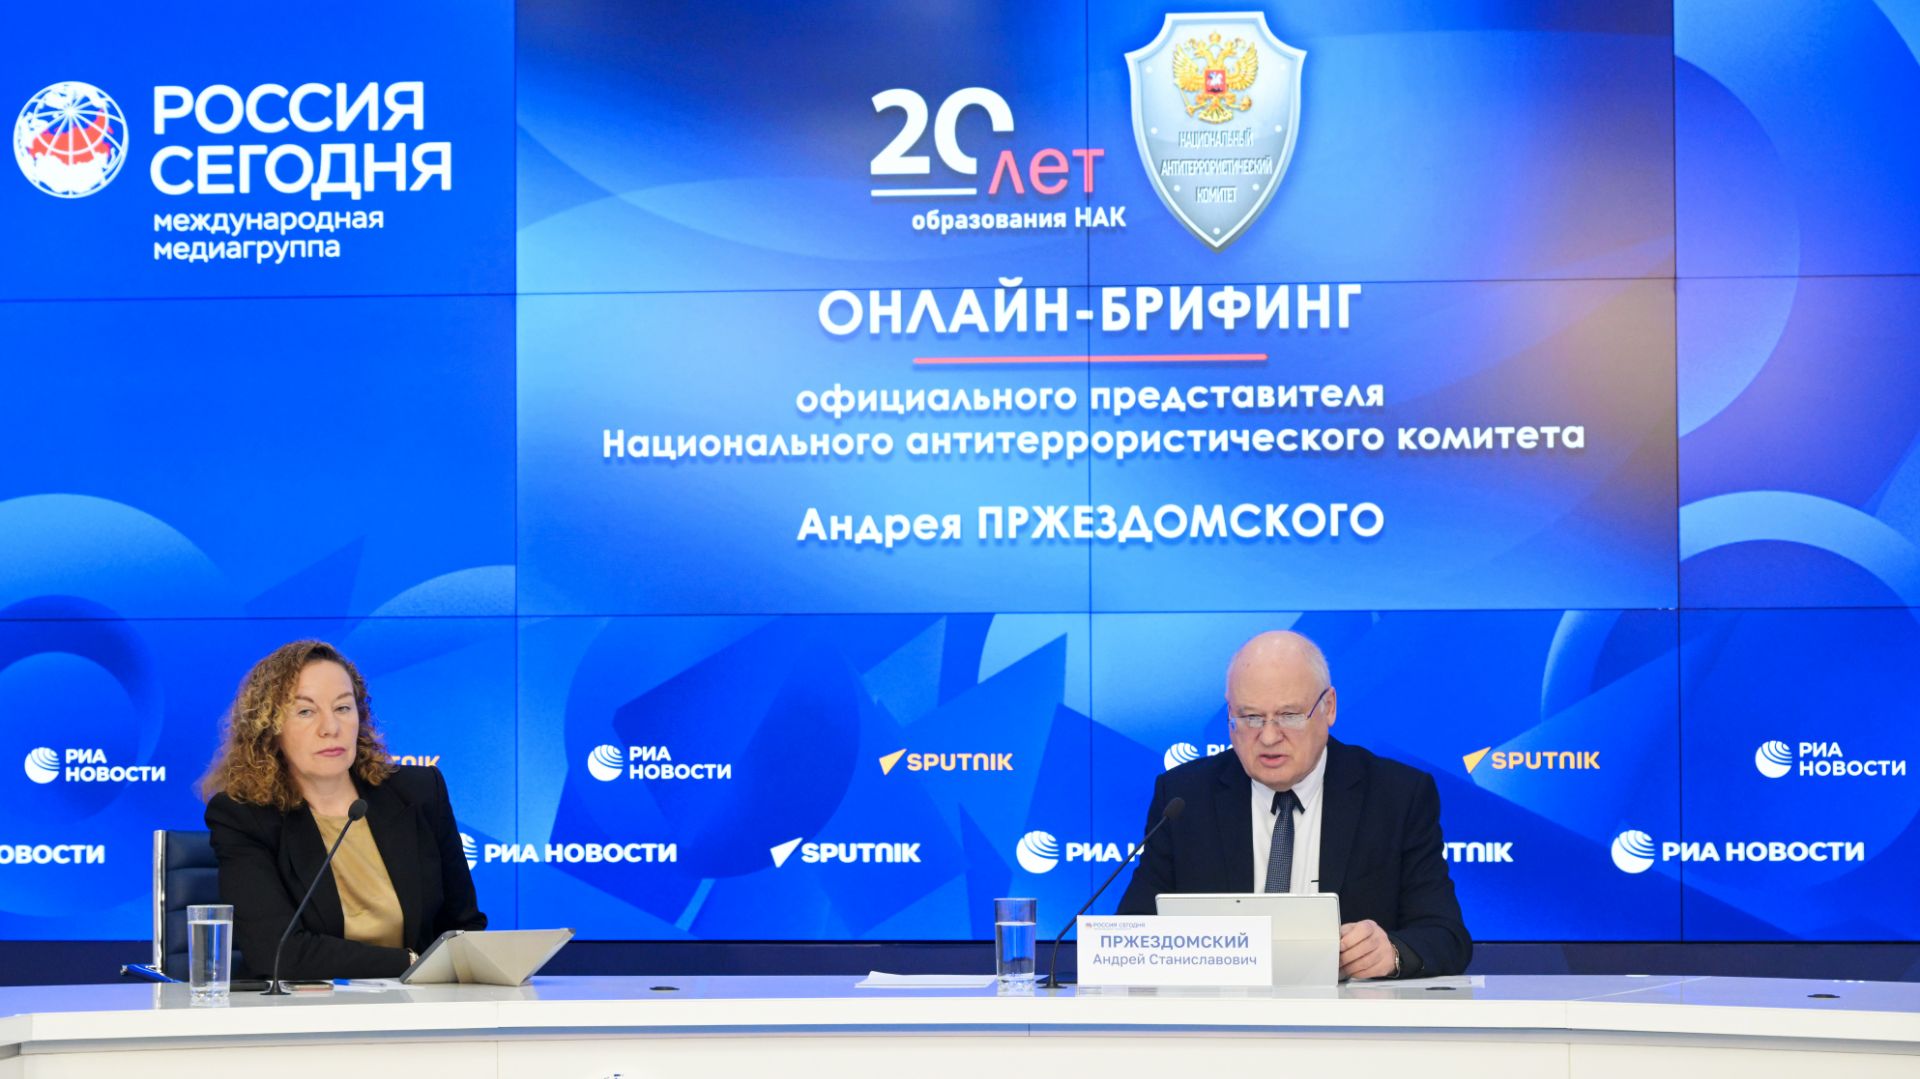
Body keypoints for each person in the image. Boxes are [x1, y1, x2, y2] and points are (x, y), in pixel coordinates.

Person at [1116, 630, 1470, 978]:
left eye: (1289, 716)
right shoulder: (1185, 798)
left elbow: (1446, 936)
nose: (1269, 737)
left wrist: (1390, 953)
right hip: (1221, 1010)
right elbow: (1132, 935)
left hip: (1350, 1012)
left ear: (1328, 707)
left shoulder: (1396, 796)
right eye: (1250, 717)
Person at [201, 640, 485, 980]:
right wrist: (411, 963)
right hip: (309, 1008)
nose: (330, 728)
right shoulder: (244, 817)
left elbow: (463, 928)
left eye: (343, 708)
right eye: (305, 712)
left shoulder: (419, 792)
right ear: (270, 729)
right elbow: (276, 953)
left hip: (423, 1004)